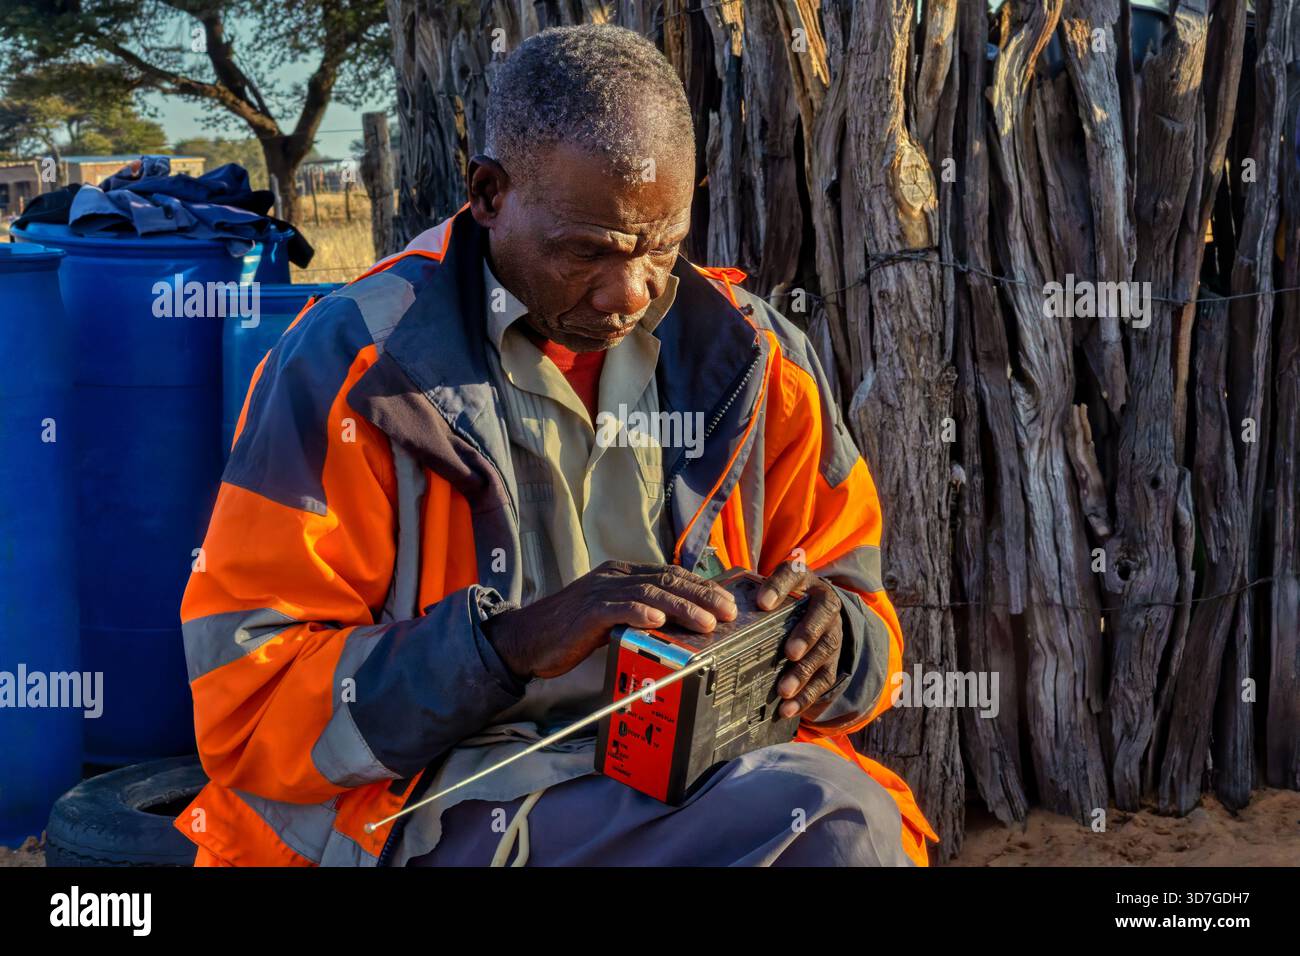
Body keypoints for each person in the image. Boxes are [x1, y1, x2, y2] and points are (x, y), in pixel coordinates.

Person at [176, 23, 936, 867]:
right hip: (439, 799)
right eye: (590, 251)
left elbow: (861, 612)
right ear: (490, 193)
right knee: (827, 826)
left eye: (663, 245)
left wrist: (833, 643)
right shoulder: (356, 371)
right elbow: (248, 696)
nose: (630, 289)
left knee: (833, 821)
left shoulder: (757, 363)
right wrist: (506, 646)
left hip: (699, 778)